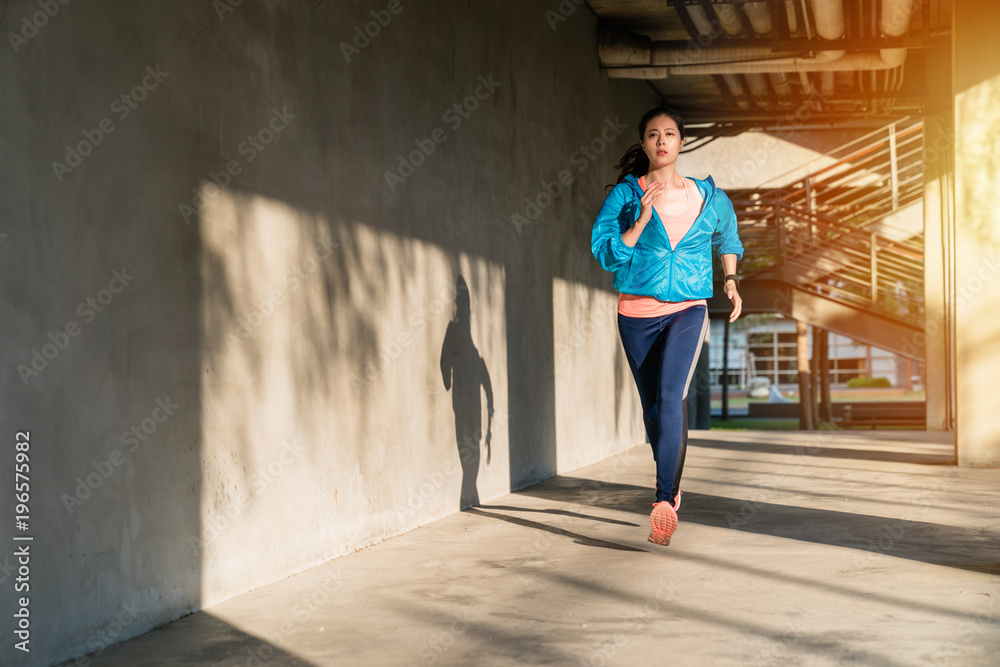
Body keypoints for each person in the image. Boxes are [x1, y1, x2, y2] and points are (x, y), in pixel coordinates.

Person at [591, 106, 744, 546]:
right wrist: (639, 220)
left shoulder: (708, 196)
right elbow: (605, 254)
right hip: (635, 314)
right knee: (654, 413)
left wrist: (730, 281)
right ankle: (673, 487)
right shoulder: (625, 195)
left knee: (670, 396)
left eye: (670, 134)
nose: (662, 141)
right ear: (643, 143)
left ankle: (661, 500)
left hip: (687, 308)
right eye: (653, 135)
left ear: (681, 142)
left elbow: (728, 237)